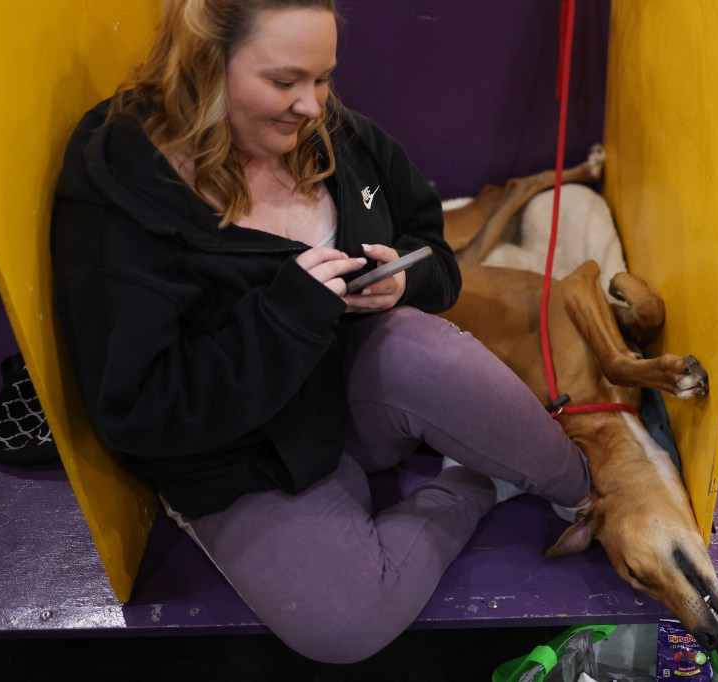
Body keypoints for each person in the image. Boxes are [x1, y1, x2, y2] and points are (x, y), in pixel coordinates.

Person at [51, 0, 590, 664]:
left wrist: (406, 282)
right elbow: (139, 412)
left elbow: (433, 251)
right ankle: (473, 483)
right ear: (204, 65)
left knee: (429, 350)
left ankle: (587, 490)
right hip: (235, 451)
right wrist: (284, 316)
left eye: (324, 77)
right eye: (284, 82)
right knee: (344, 626)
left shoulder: (338, 136)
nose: (311, 104)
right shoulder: (121, 198)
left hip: (342, 386)